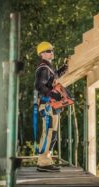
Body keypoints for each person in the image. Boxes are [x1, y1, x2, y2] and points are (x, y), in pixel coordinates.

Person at [34, 41, 68, 172]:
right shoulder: (43, 68)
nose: (51, 53)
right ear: (42, 54)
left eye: (52, 50)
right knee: (49, 133)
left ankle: (44, 160)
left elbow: (54, 76)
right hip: (48, 105)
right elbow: (39, 86)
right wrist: (52, 95)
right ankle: (43, 163)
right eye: (48, 51)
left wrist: (64, 68)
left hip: (49, 105)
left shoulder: (48, 68)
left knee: (50, 133)